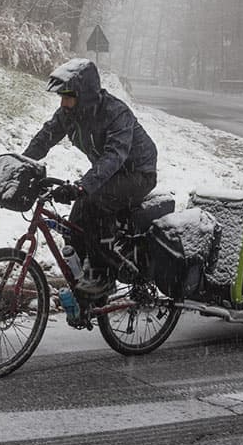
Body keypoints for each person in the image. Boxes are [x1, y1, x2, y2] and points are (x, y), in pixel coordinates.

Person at [21, 58, 158, 294]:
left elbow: (115, 156)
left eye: (67, 97)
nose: (63, 103)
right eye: (61, 97)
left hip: (138, 172)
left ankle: (102, 276)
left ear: (84, 95)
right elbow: (46, 136)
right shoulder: (70, 112)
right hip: (108, 173)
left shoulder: (116, 113)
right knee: (75, 224)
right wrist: (23, 164)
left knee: (95, 202)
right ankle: (83, 277)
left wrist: (83, 186)